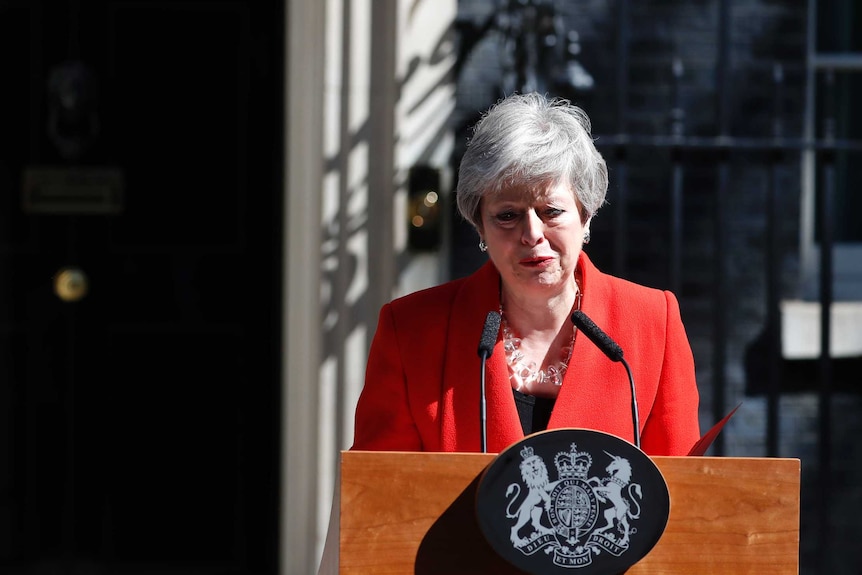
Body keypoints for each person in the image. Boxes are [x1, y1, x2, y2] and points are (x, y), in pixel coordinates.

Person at [351, 92, 700, 457]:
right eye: (507, 215)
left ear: (585, 215)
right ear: (480, 227)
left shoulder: (652, 323)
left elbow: (683, 496)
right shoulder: (411, 331)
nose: (532, 234)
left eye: (550, 211)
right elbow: (380, 497)